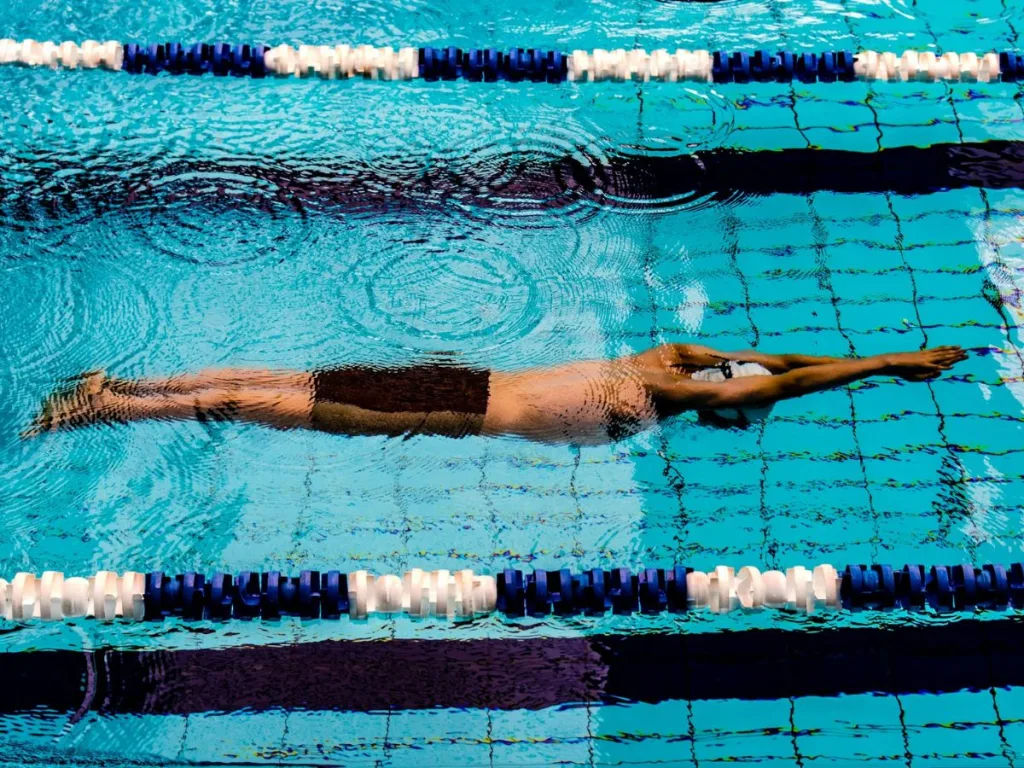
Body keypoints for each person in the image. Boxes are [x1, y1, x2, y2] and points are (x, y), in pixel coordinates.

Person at [24, 344, 967, 444]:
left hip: (461, 376)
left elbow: (773, 364)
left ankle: (115, 385)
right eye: (738, 412)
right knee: (262, 403)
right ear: (714, 403)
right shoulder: (659, 403)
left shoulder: (662, 358)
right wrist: (888, 367)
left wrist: (886, 353)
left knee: (278, 380)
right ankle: (100, 408)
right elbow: (790, 381)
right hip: (453, 410)